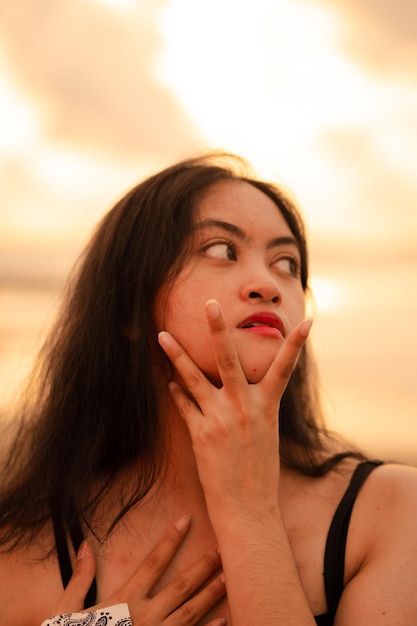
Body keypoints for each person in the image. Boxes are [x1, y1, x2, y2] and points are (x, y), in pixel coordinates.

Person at [0, 153, 416, 626]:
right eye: (221, 250)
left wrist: (249, 511)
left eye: (287, 263)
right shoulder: (20, 553)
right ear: (130, 312)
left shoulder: (392, 513)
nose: (269, 285)